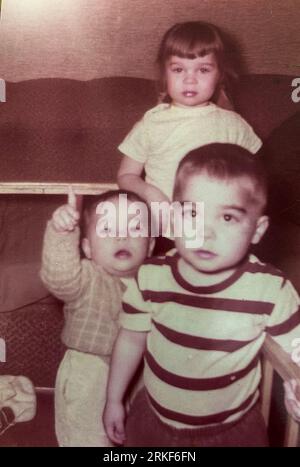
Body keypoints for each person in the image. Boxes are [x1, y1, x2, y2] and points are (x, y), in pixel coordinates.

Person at [104, 143, 300, 447]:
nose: (205, 232)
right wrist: (114, 399)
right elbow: (131, 338)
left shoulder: (270, 289)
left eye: (228, 218)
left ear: (257, 230)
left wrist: (295, 382)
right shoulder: (151, 275)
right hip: (153, 422)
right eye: (192, 212)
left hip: (231, 433)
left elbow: (296, 345)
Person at [40, 187, 154, 447]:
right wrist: (62, 234)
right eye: (107, 229)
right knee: (88, 438)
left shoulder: (153, 283)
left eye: (135, 228)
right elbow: (59, 277)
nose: (121, 235)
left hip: (139, 373)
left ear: (150, 245)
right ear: (88, 248)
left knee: (134, 436)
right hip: (89, 373)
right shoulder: (87, 276)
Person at [117, 22, 262, 214]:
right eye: (178, 70)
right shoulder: (151, 123)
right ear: (164, 74)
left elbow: (255, 178)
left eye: (203, 70)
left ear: (220, 75)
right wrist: (148, 192)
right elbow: (126, 175)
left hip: (214, 231)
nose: (190, 79)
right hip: (164, 227)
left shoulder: (234, 125)